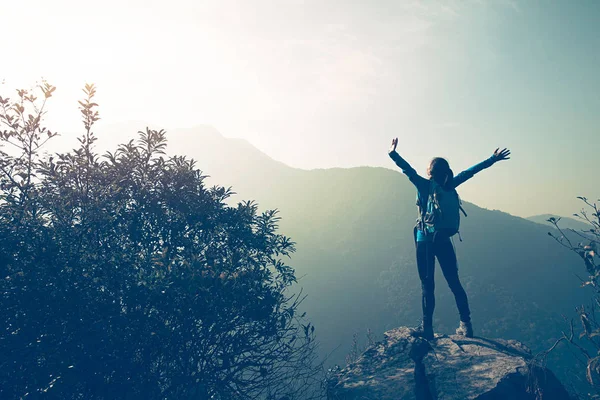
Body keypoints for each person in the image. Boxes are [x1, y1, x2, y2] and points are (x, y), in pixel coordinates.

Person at [388, 137, 511, 340]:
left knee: (427, 285)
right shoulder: (451, 184)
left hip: (425, 241)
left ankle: (427, 328)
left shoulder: (424, 185)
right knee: (454, 282)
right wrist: (492, 159)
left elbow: (407, 169)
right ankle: (466, 324)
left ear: (429, 172)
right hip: (444, 239)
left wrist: (393, 153)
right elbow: (471, 171)